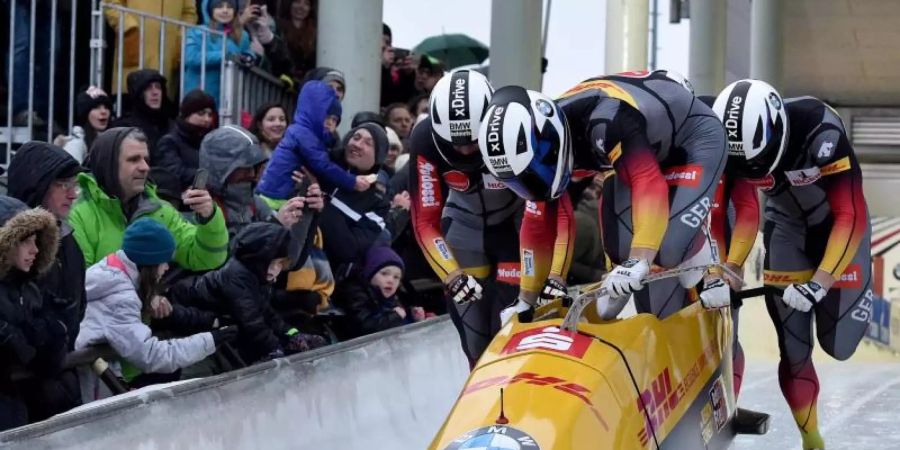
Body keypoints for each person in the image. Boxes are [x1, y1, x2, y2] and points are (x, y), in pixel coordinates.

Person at [480, 70, 727, 321]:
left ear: (548, 144)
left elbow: (649, 183)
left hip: (693, 141)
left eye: (530, 175)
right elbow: (537, 225)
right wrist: (525, 301)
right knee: (617, 246)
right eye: (519, 182)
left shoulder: (606, 123)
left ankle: (708, 264)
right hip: (640, 150)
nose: (531, 187)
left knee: (668, 249)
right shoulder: (556, 134)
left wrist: (639, 260)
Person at [711, 80, 870, 450]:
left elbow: (850, 213)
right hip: (786, 229)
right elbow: (746, 208)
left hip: (839, 227)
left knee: (839, 345)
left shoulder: (819, 130)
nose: (753, 169)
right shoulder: (726, 137)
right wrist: (730, 268)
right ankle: (812, 440)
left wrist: (821, 282)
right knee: (794, 348)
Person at [409, 69, 525, 366]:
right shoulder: (425, 141)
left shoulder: (514, 123)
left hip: (515, 226)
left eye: (472, 140)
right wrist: (452, 274)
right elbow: (425, 220)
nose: (464, 149)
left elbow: (544, 199)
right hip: (464, 226)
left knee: (509, 326)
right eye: (455, 143)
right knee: (474, 336)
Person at [76, 218, 235, 401]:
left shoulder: (110, 268)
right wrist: (209, 341)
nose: (167, 268)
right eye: (164, 261)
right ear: (150, 263)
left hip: (97, 374)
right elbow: (152, 355)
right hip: (88, 387)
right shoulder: (121, 299)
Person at [68, 127, 229, 270]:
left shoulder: (159, 210)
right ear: (108, 164)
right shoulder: (76, 212)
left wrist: (209, 218)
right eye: (133, 159)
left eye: (146, 160)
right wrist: (143, 295)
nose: (145, 167)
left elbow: (204, 258)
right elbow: (80, 284)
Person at [6, 142, 88, 420]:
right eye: (63, 184)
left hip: (61, 390)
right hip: (20, 401)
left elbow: (76, 312)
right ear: (35, 184)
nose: (73, 194)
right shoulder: (11, 257)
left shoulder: (70, 244)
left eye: (75, 185)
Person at [170, 222, 326, 363]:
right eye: (274, 262)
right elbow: (252, 321)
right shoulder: (237, 277)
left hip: (222, 315)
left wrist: (292, 334)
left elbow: (265, 311)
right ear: (260, 259)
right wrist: (274, 348)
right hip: (190, 312)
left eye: (280, 263)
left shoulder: (256, 274)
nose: (276, 269)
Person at [0, 197, 67, 431]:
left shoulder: (30, 289)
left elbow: (47, 365)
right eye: (25, 241)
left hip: (26, 411)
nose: (35, 249)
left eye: (36, 240)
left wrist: (53, 335)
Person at [256, 81, 369, 208]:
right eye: (326, 117)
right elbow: (323, 165)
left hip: (280, 195)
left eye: (335, 120)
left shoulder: (307, 134)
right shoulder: (302, 134)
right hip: (275, 198)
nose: (330, 123)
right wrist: (352, 181)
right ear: (314, 113)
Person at [198, 124, 324, 238]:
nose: (252, 174)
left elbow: (288, 257)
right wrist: (275, 226)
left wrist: (307, 211)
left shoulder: (255, 203)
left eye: (255, 166)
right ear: (220, 168)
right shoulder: (202, 210)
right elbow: (222, 258)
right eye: (245, 167)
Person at [319, 123, 391, 279]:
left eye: (368, 143)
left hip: (325, 275)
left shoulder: (378, 201)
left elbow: (349, 250)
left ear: (377, 157)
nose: (357, 145)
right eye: (356, 137)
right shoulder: (322, 163)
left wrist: (323, 205)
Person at [103, 0, 198, 98]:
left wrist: (181, 38)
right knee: (131, 99)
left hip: (167, 61)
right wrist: (129, 27)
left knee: (162, 100)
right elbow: (111, 3)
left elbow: (189, 13)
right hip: (135, 53)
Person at [333, 245, 424, 338]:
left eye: (396, 277)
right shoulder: (355, 292)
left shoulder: (392, 298)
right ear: (370, 273)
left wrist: (413, 318)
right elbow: (365, 327)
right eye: (384, 274)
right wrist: (395, 316)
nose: (391, 280)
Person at [183, 0, 257, 104]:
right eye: (219, 6)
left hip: (228, 96)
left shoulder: (241, 35)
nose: (225, 11)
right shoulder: (197, 32)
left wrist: (249, 57)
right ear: (209, 9)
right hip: (199, 92)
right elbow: (190, 57)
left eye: (230, 7)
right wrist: (224, 55)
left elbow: (246, 51)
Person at [152, 89, 217, 204]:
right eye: (201, 113)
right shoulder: (169, 142)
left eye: (210, 114)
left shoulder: (210, 141)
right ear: (187, 115)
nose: (207, 119)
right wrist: (209, 176)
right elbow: (175, 173)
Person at [110, 69, 174, 153]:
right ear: (138, 94)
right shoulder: (123, 128)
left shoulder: (171, 126)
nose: (155, 92)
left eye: (158, 87)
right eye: (148, 88)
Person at [54, 86, 114, 164]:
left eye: (106, 107)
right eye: (96, 107)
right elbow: (72, 175)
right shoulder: (75, 144)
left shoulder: (110, 141)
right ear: (85, 114)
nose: (103, 111)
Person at [277, 0, 317, 80]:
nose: (301, 7)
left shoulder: (316, 33)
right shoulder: (278, 27)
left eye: (306, 4)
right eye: (297, 1)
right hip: (281, 80)